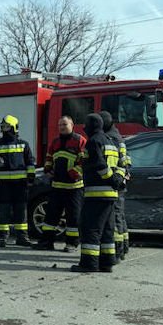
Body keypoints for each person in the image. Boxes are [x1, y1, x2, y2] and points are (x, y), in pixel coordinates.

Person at [71, 113, 124, 273]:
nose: (84, 128)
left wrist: (111, 179)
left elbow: (99, 165)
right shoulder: (111, 141)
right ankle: (107, 263)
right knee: (107, 230)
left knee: (91, 229)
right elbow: (122, 164)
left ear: (91, 126)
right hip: (111, 195)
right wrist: (118, 180)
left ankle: (89, 264)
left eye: (86, 125)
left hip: (96, 194)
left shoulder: (93, 142)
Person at [34, 116, 86, 252]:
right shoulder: (55, 142)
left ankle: (72, 244)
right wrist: (48, 169)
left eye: (64, 124)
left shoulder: (79, 141)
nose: (62, 127)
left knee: (73, 217)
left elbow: (84, 161)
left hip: (74, 187)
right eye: (60, 125)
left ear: (72, 125)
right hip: (57, 186)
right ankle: (46, 242)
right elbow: (49, 157)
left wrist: (73, 174)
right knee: (51, 216)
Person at [0, 115, 36, 248]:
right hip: (3, 186)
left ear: (14, 127)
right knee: (3, 211)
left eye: (7, 126)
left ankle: (22, 237)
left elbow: (30, 163)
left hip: (20, 185)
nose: (4, 129)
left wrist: (30, 179)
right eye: (3, 127)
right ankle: (2, 238)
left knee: (21, 211)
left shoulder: (23, 144)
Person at [99, 111, 132, 261]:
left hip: (114, 183)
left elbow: (115, 161)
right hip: (120, 181)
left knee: (116, 217)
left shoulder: (110, 138)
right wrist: (126, 172)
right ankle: (123, 247)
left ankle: (118, 250)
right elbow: (125, 160)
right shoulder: (118, 136)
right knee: (120, 216)